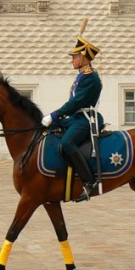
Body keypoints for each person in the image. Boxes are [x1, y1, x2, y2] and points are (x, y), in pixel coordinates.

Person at [41, 28, 103, 202]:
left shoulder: (90, 77)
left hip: (85, 119)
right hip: (76, 117)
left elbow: (75, 103)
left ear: (84, 58)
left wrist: (54, 115)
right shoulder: (82, 76)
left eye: (74, 57)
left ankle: (90, 182)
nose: (72, 61)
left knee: (68, 143)